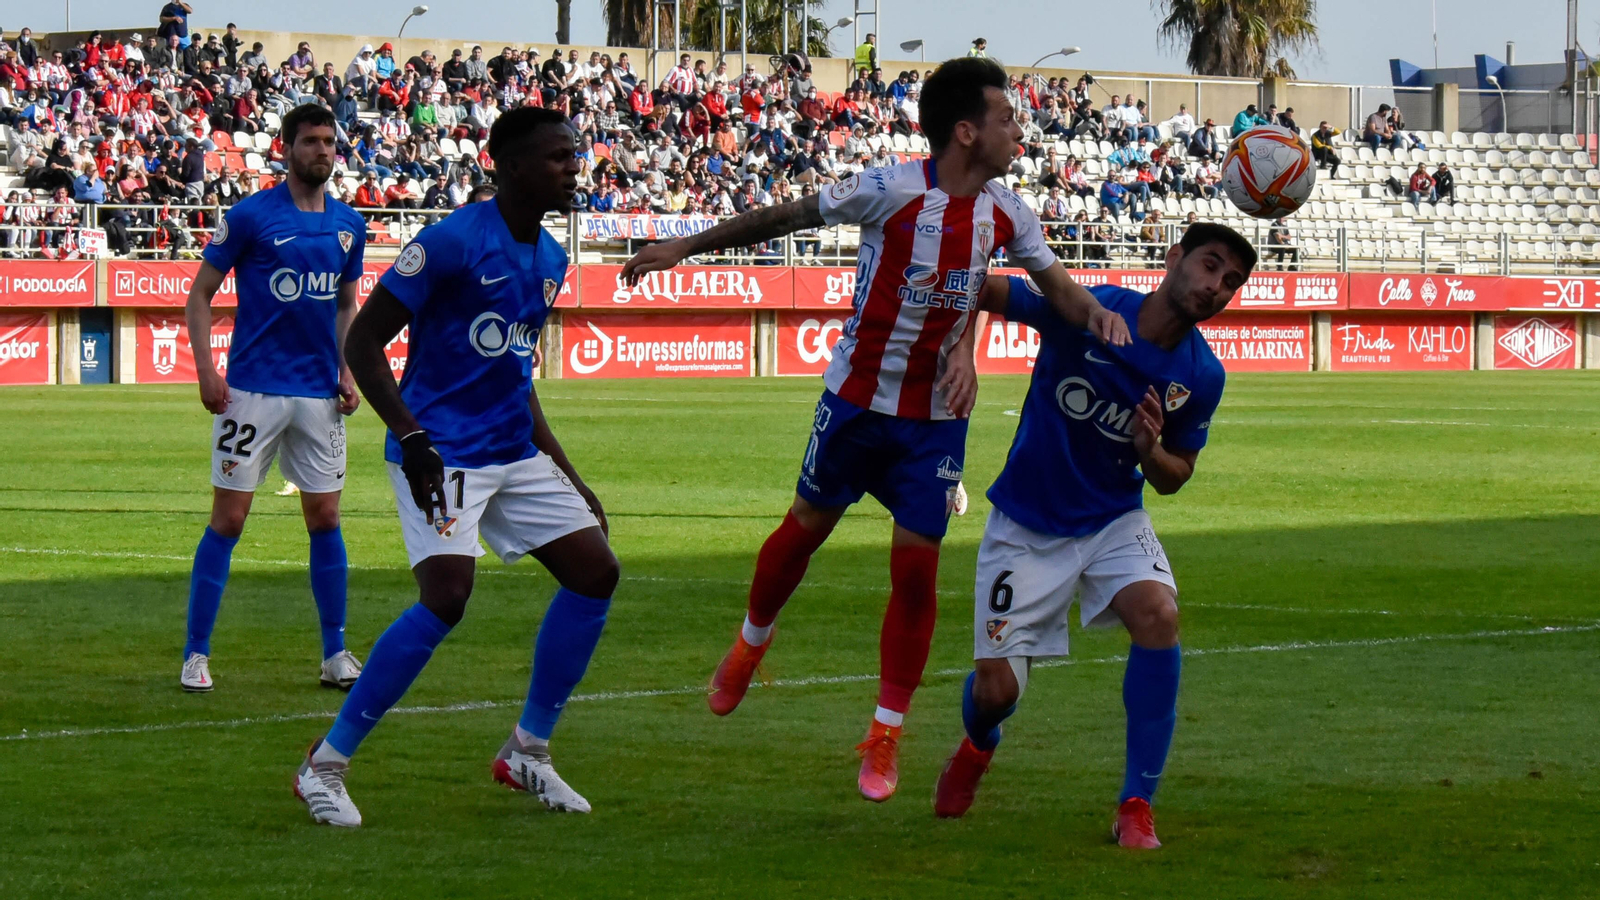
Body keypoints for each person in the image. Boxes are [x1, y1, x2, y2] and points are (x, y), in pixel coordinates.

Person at [620, 56, 1129, 804]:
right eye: (1006, 117)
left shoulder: (1007, 211)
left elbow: (1056, 290)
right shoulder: (888, 189)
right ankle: (750, 642)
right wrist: (682, 246)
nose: (1020, 129)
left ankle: (885, 734)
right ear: (965, 131)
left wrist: (1102, 318)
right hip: (856, 401)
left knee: (916, 573)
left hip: (933, 423)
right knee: (802, 530)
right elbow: (782, 216)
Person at [294, 107, 617, 828]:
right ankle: (324, 765)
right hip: (443, 454)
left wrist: (569, 473)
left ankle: (527, 751)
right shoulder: (448, 243)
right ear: (508, 165)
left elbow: (514, 373)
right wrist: (412, 439)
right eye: (559, 157)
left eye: (575, 155)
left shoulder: (551, 258)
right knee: (446, 596)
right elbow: (365, 344)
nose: (573, 167)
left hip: (512, 449)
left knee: (597, 573)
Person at [932, 223, 1258, 851]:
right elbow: (978, 289)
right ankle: (978, 744)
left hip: (1113, 518)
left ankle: (1136, 804)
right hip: (1025, 524)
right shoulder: (1090, 311)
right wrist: (962, 353)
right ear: (1172, 259)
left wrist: (1150, 449)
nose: (1216, 286)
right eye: (1209, 265)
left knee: (1159, 615)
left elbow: (1175, 477)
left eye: (1231, 281)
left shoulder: (1202, 376)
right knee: (997, 693)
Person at [178, 104, 368, 694]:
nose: (323, 151)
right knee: (229, 519)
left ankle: (335, 652)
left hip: (318, 395)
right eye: (311, 141)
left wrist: (347, 368)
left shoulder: (348, 225)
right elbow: (200, 296)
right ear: (285, 147)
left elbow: (344, 304)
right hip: (252, 391)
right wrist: (208, 371)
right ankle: (195, 654)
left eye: (330, 142)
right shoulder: (250, 216)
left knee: (327, 517)